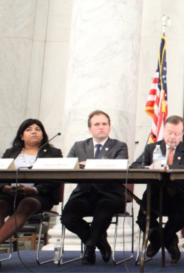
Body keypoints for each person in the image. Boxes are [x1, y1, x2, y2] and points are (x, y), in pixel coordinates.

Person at [0, 119, 62, 271]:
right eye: (29, 129)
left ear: (43, 135)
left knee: (27, 203)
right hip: (10, 194)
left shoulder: (53, 153)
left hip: (38, 195)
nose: (34, 131)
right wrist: (5, 188)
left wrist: (34, 190)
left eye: (38, 129)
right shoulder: (11, 153)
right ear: (22, 136)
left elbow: (55, 179)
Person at [61, 110, 129, 264]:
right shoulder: (79, 146)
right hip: (84, 193)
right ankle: (101, 243)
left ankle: (90, 248)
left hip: (110, 194)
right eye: (96, 124)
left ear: (109, 128)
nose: (101, 127)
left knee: (103, 211)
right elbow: (69, 166)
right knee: (67, 218)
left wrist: (88, 164)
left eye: (104, 124)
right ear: (90, 129)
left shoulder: (119, 146)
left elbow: (118, 166)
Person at [130, 116, 184, 264]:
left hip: (180, 197)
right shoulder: (151, 148)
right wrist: (148, 168)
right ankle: (166, 241)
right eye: (169, 133)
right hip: (155, 195)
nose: (172, 137)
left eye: (176, 134)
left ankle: (162, 240)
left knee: (183, 215)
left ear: (183, 133)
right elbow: (135, 166)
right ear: (163, 132)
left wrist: (166, 168)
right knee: (142, 219)